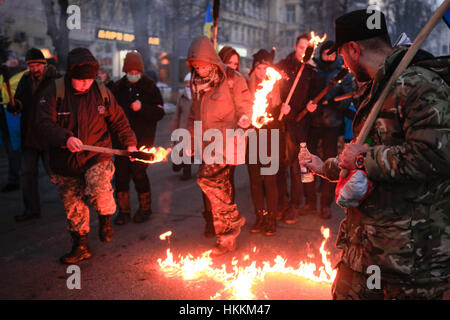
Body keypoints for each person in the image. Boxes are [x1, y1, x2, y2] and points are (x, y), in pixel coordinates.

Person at [301, 9, 450, 299]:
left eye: (343, 55)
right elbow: (366, 151)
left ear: (354, 49)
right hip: (367, 251)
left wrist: (362, 159)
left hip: (410, 263)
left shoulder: (417, 85)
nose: (343, 62)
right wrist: (324, 166)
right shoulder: (379, 87)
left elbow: (436, 156)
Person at [37, 48, 138, 264]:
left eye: (90, 80)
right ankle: (81, 246)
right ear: (71, 76)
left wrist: (130, 143)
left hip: (96, 156)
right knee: (74, 205)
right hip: (64, 161)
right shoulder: (55, 92)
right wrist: (65, 138)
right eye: (81, 80)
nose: (85, 84)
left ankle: (105, 218)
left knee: (100, 191)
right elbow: (43, 123)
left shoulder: (101, 92)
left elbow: (119, 120)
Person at [186, 36, 253, 256]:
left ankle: (232, 220)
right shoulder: (195, 83)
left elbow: (246, 104)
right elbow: (194, 114)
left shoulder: (232, 78)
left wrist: (245, 118)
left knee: (206, 179)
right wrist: (190, 140)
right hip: (208, 143)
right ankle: (226, 238)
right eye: (195, 66)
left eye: (203, 65)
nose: (200, 69)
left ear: (212, 61)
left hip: (228, 141)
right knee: (220, 189)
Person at [111, 51, 165, 225]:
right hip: (121, 141)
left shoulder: (150, 88)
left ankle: (145, 208)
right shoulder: (117, 88)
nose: (133, 75)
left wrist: (142, 107)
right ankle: (123, 211)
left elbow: (159, 112)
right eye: (130, 72)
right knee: (120, 176)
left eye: (136, 72)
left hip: (143, 140)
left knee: (139, 173)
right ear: (125, 72)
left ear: (141, 72)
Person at [276, 33, 322, 223]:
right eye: (301, 47)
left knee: (297, 168)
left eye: (306, 49)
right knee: (279, 168)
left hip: (300, 125)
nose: (303, 51)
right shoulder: (281, 67)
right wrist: (279, 107)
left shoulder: (311, 73)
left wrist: (312, 108)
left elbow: (316, 97)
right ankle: (281, 203)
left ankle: (294, 205)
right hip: (281, 123)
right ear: (295, 47)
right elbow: (271, 93)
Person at [7, 48, 58, 221]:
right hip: (29, 134)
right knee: (26, 174)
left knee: (56, 173)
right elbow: (20, 100)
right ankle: (31, 209)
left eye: (37, 65)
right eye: (31, 66)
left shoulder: (54, 81)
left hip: (48, 135)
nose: (34, 69)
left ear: (44, 65)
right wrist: (15, 106)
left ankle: (76, 200)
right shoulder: (25, 79)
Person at [306, 41, 353, 219]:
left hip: (332, 126)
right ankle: (310, 201)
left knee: (329, 164)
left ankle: (325, 204)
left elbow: (348, 98)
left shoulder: (343, 73)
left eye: (332, 54)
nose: (329, 57)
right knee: (308, 162)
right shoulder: (313, 70)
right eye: (326, 54)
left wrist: (335, 102)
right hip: (313, 124)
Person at [246, 49, 287, 236]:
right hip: (253, 139)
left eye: (265, 68)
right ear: (253, 70)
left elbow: (288, 116)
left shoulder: (278, 89)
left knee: (270, 181)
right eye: (258, 68)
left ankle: (271, 219)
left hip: (272, 139)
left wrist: (287, 110)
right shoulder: (247, 90)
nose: (262, 72)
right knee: (255, 182)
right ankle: (259, 217)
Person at [0, 50, 26, 192]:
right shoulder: (3, 74)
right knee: (11, 150)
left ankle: (15, 179)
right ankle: (14, 177)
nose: (13, 60)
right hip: (4, 116)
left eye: (14, 58)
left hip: (17, 115)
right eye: (10, 58)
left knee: (16, 149)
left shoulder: (23, 74)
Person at [172, 72, 193, 181]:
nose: (188, 85)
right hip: (183, 128)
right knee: (184, 151)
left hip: (195, 129)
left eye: (190, 82)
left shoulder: (199, 96)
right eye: (186, 83)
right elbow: (177, 115)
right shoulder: (182, 96)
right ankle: (182, 167)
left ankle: (187, 172)